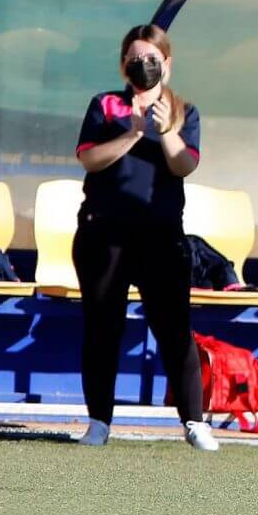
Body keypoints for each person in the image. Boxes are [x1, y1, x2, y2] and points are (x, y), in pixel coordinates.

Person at [73, 24, 217, 451]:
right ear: (123, 65)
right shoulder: (105, 105)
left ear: (167, 64)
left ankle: (194, 422)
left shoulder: (184, 112)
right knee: (102, 328)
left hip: (161, 237)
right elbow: (88, 158)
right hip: (104, 235)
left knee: (174, 330)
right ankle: (99, 421)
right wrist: (132, 132)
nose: (144, 66)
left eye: (152, 59)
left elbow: (185, 165)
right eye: (136, 59)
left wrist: (164, 130)